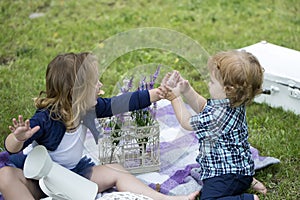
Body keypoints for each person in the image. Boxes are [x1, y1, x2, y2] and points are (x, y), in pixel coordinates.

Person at [0, 52, 199, 200]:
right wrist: (18, 138)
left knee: (115, 170)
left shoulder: (89, 108)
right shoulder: (46, 118)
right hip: (40, 180)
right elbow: (10, 148)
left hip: (73, 177)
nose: (101, 85)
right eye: (95, 83)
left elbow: (126, 101)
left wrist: (159, 92)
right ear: (77, 91)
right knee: (6, 175)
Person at [162, 50, 266, 200]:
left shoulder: (216, 116)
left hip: (225, 175)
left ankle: (246, 198)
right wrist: (186, 90)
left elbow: (187, 122)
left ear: (227, 89)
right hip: (242, 169)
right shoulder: (235, 102)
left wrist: (174, 97)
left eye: (211, 82)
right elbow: (204, 106)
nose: (208, 84)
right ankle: (248, 181)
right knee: (237, 175)